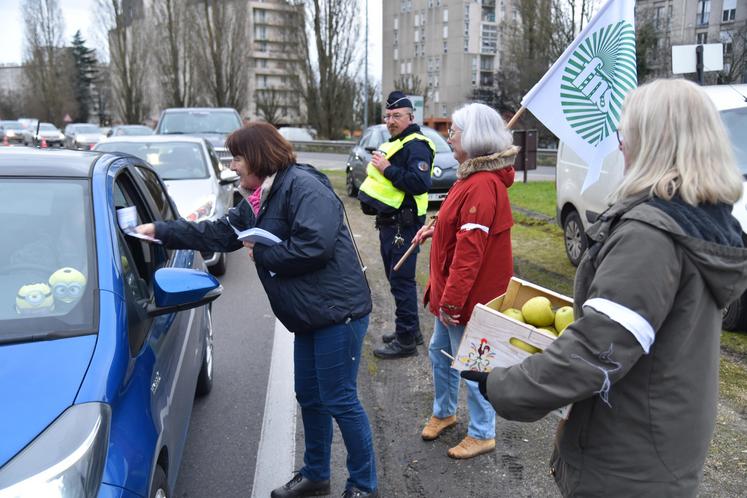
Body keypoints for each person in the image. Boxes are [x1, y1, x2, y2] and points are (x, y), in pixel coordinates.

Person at [462, 79, 747, 496]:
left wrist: (503, 384)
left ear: (652, 142)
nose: (620, 147)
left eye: (624, 134)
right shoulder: (699, 220)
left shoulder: (651, 237)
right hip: (662, 440)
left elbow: (596, 352)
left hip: (628, 462)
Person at [136, 123, 378, 498]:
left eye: (237, 156)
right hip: (309, 314)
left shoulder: (303, 187)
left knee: (339, 398)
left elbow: (316, 246)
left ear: (258, 156)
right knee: (310, 396)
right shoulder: (256, 198)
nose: (232, 165)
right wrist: (161, 231)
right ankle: (316, 475)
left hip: (337, 312)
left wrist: (264, 252)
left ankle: (363, 485)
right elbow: (215, 234)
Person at [412, 103, 519, 459]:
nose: (449, 137)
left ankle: (482, 432)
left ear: (472, 138)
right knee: (440, 353)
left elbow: (470, 255)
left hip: (469, 299)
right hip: (453, 294)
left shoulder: (483, 185)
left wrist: (453, 303)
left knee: (473, 364)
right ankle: (444, 412)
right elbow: (456, 226)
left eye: (453, 132)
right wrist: (435, 229)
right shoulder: (469, 178)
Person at [358, 90, 435, 359]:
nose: (391, 120)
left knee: (401, 281)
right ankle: (411, 330)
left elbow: (420, 183)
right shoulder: (398, 141)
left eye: (397, 115)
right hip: (391, 224)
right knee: (397, 280)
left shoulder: (416, 144)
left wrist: (387, 168)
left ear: (411, 117)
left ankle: (405, 342)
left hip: (404, 225)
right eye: (388, 115)